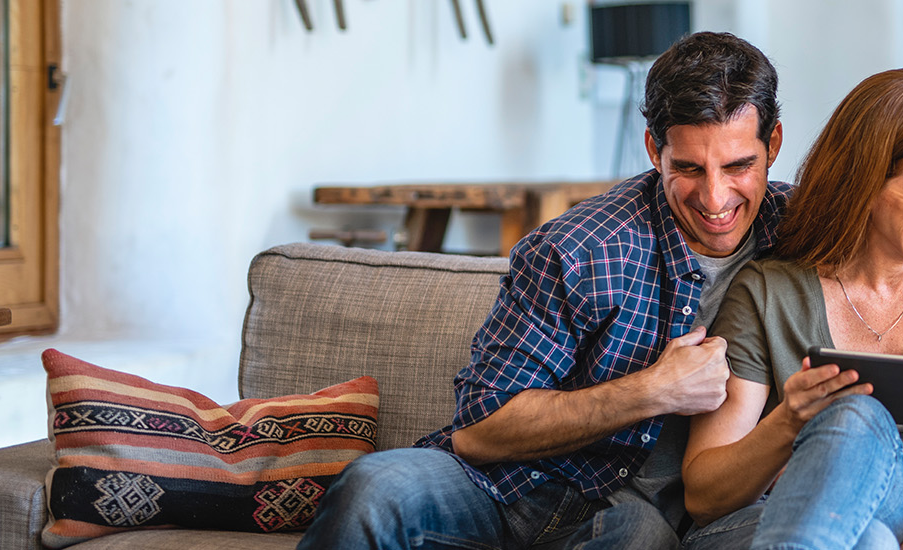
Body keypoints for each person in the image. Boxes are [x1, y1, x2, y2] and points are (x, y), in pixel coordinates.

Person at [300, 31, 788, 550]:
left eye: (738, 166)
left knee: (640, 534)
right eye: (688, 168)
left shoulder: (808, 235)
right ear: (654, 150)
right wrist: (653, 390)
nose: (715, 197)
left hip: (646, 524)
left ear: (773, 145)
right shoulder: (580, 249)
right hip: (514, 492)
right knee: (374, 486)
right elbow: (480, 431)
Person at [680, 66, 903, 550]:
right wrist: (788, 423)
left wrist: (829, 459)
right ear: (865, 187)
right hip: (755, 527)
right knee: (872, 541)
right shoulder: (765, 292)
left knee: (854, 422)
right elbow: (704, 495)